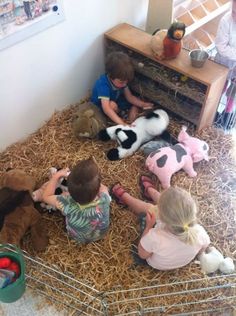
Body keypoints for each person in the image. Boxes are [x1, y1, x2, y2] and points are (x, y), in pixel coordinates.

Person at [111, 176, 210, 270]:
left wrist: (148, 227)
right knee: (171, 206)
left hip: (156, 263)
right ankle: (150, 191)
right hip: (179, 258)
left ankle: (126, 198)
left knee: (149, 208)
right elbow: (204, 246)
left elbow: (142, 254)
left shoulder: (155, 237)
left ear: (161, 218)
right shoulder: (199, 231)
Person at [40, 157, 111, 244]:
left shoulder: (66, 202)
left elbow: (46, 196)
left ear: (69, 189)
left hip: (78, 238)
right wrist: (94, 183)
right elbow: (104, 188)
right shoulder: (105, 198)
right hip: (101, 234)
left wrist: (56, 176)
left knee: (62, 197)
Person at [90, 51, 154, 125]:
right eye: (121, 81)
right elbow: (106, 108)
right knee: (111, 105)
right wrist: (122, 124)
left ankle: (131, 122)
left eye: (126, 81)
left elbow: (129, 97)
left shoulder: (122, 81)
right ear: (111, 75)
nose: (125, 84)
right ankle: (121, 120)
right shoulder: (103, 84)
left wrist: (143, 104)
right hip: (100, 107)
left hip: (117, 101)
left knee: (136, 103)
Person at [214, 0, 236, 128]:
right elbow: (221, 47)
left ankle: (227, 116)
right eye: (234, 11)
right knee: (220, 87)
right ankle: (213, 111)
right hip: (223, 62)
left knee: (232, 91)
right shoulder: (226, 20)